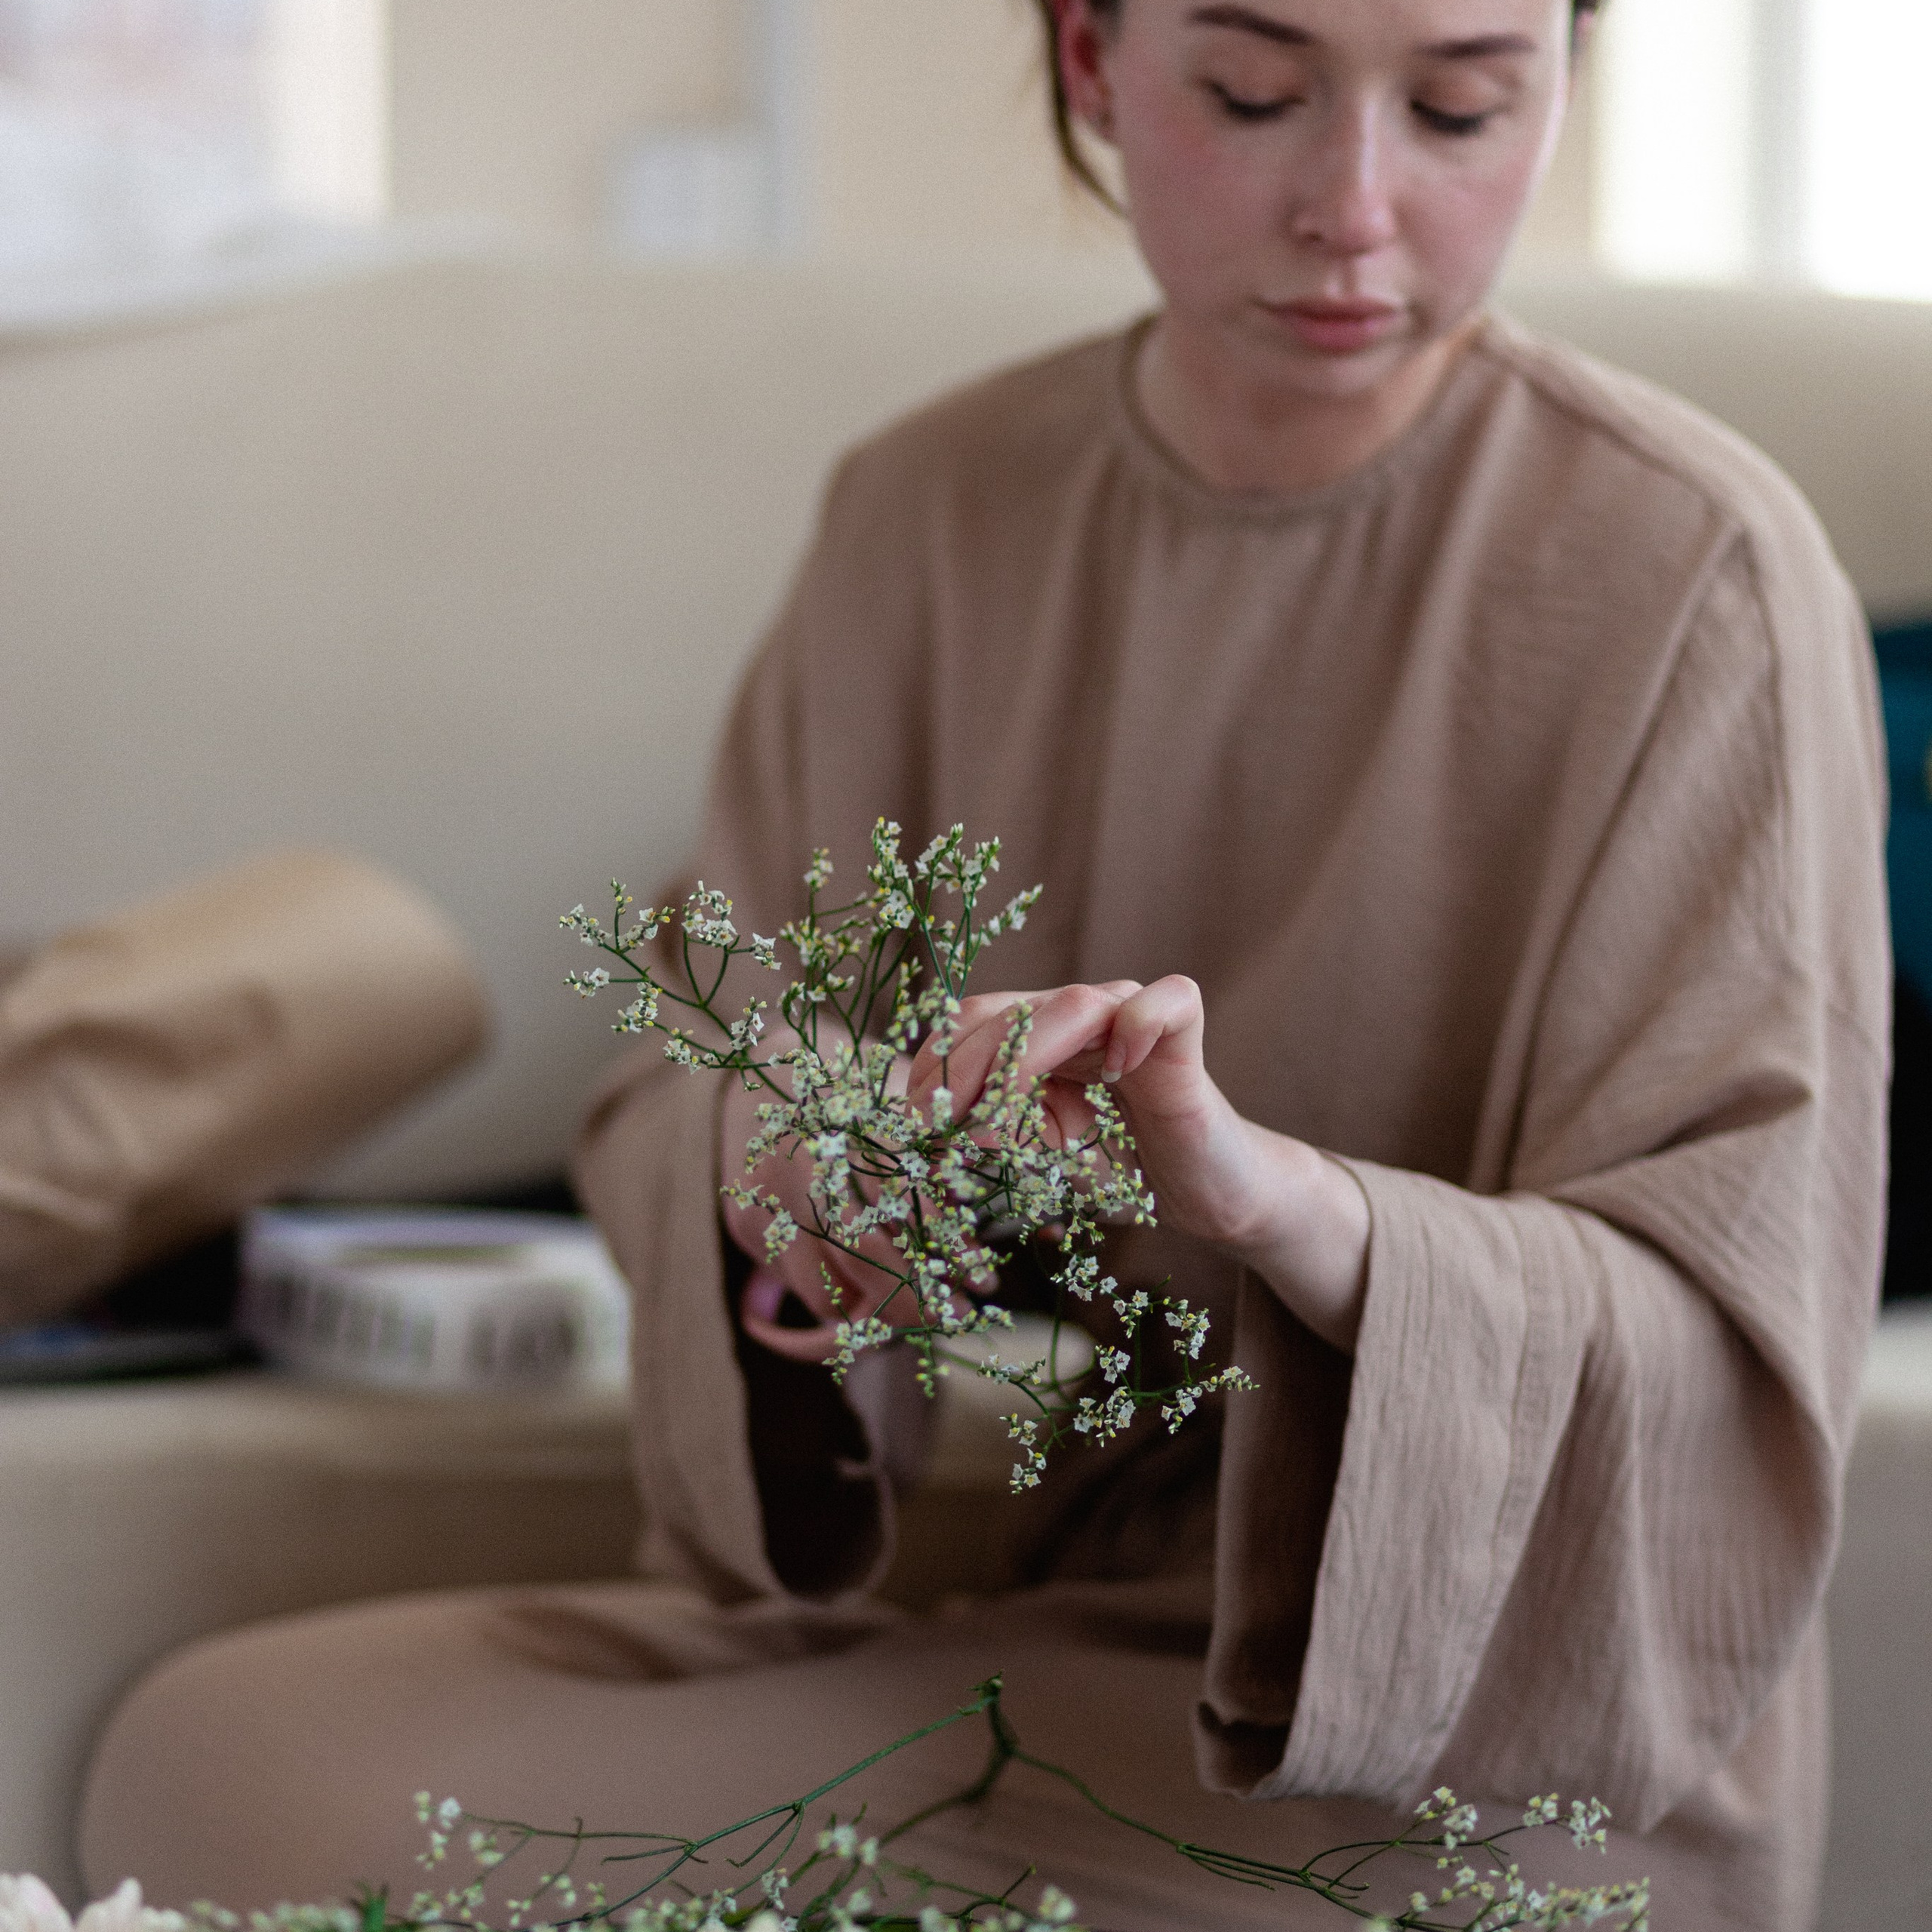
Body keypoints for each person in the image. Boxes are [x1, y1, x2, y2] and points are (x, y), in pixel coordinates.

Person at [78, 2, 1889, 1927]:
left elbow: (1721, 1347)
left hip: (1470, 1738)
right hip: (1049, 1632)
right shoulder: (927, 518)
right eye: (1254, 95)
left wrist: (1301, 1217)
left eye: (1461, 103)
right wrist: (785, 1178)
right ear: (1092, 60)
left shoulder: (1697, 573)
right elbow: (696, 1064)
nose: (1355, 207)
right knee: (227, 1753)